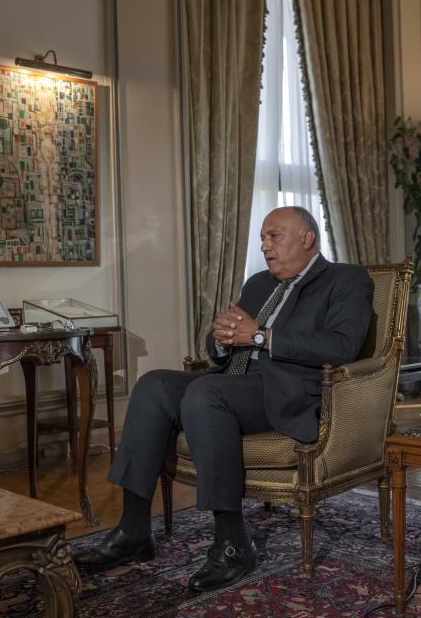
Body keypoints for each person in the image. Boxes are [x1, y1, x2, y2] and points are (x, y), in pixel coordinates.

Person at [74, 206, 373, 591]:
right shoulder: (259, 283)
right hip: (234, 379)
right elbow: (228, 341)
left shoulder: (345, 279)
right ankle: (133, 532)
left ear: (306, 238)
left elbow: (343, 345)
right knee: (153, 385)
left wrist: (260, 337)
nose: (265, 245)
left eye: (274, 236)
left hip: (289, 389)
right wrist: (220, 338)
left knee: (206, 392)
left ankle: (233, 542)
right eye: (262, 238)